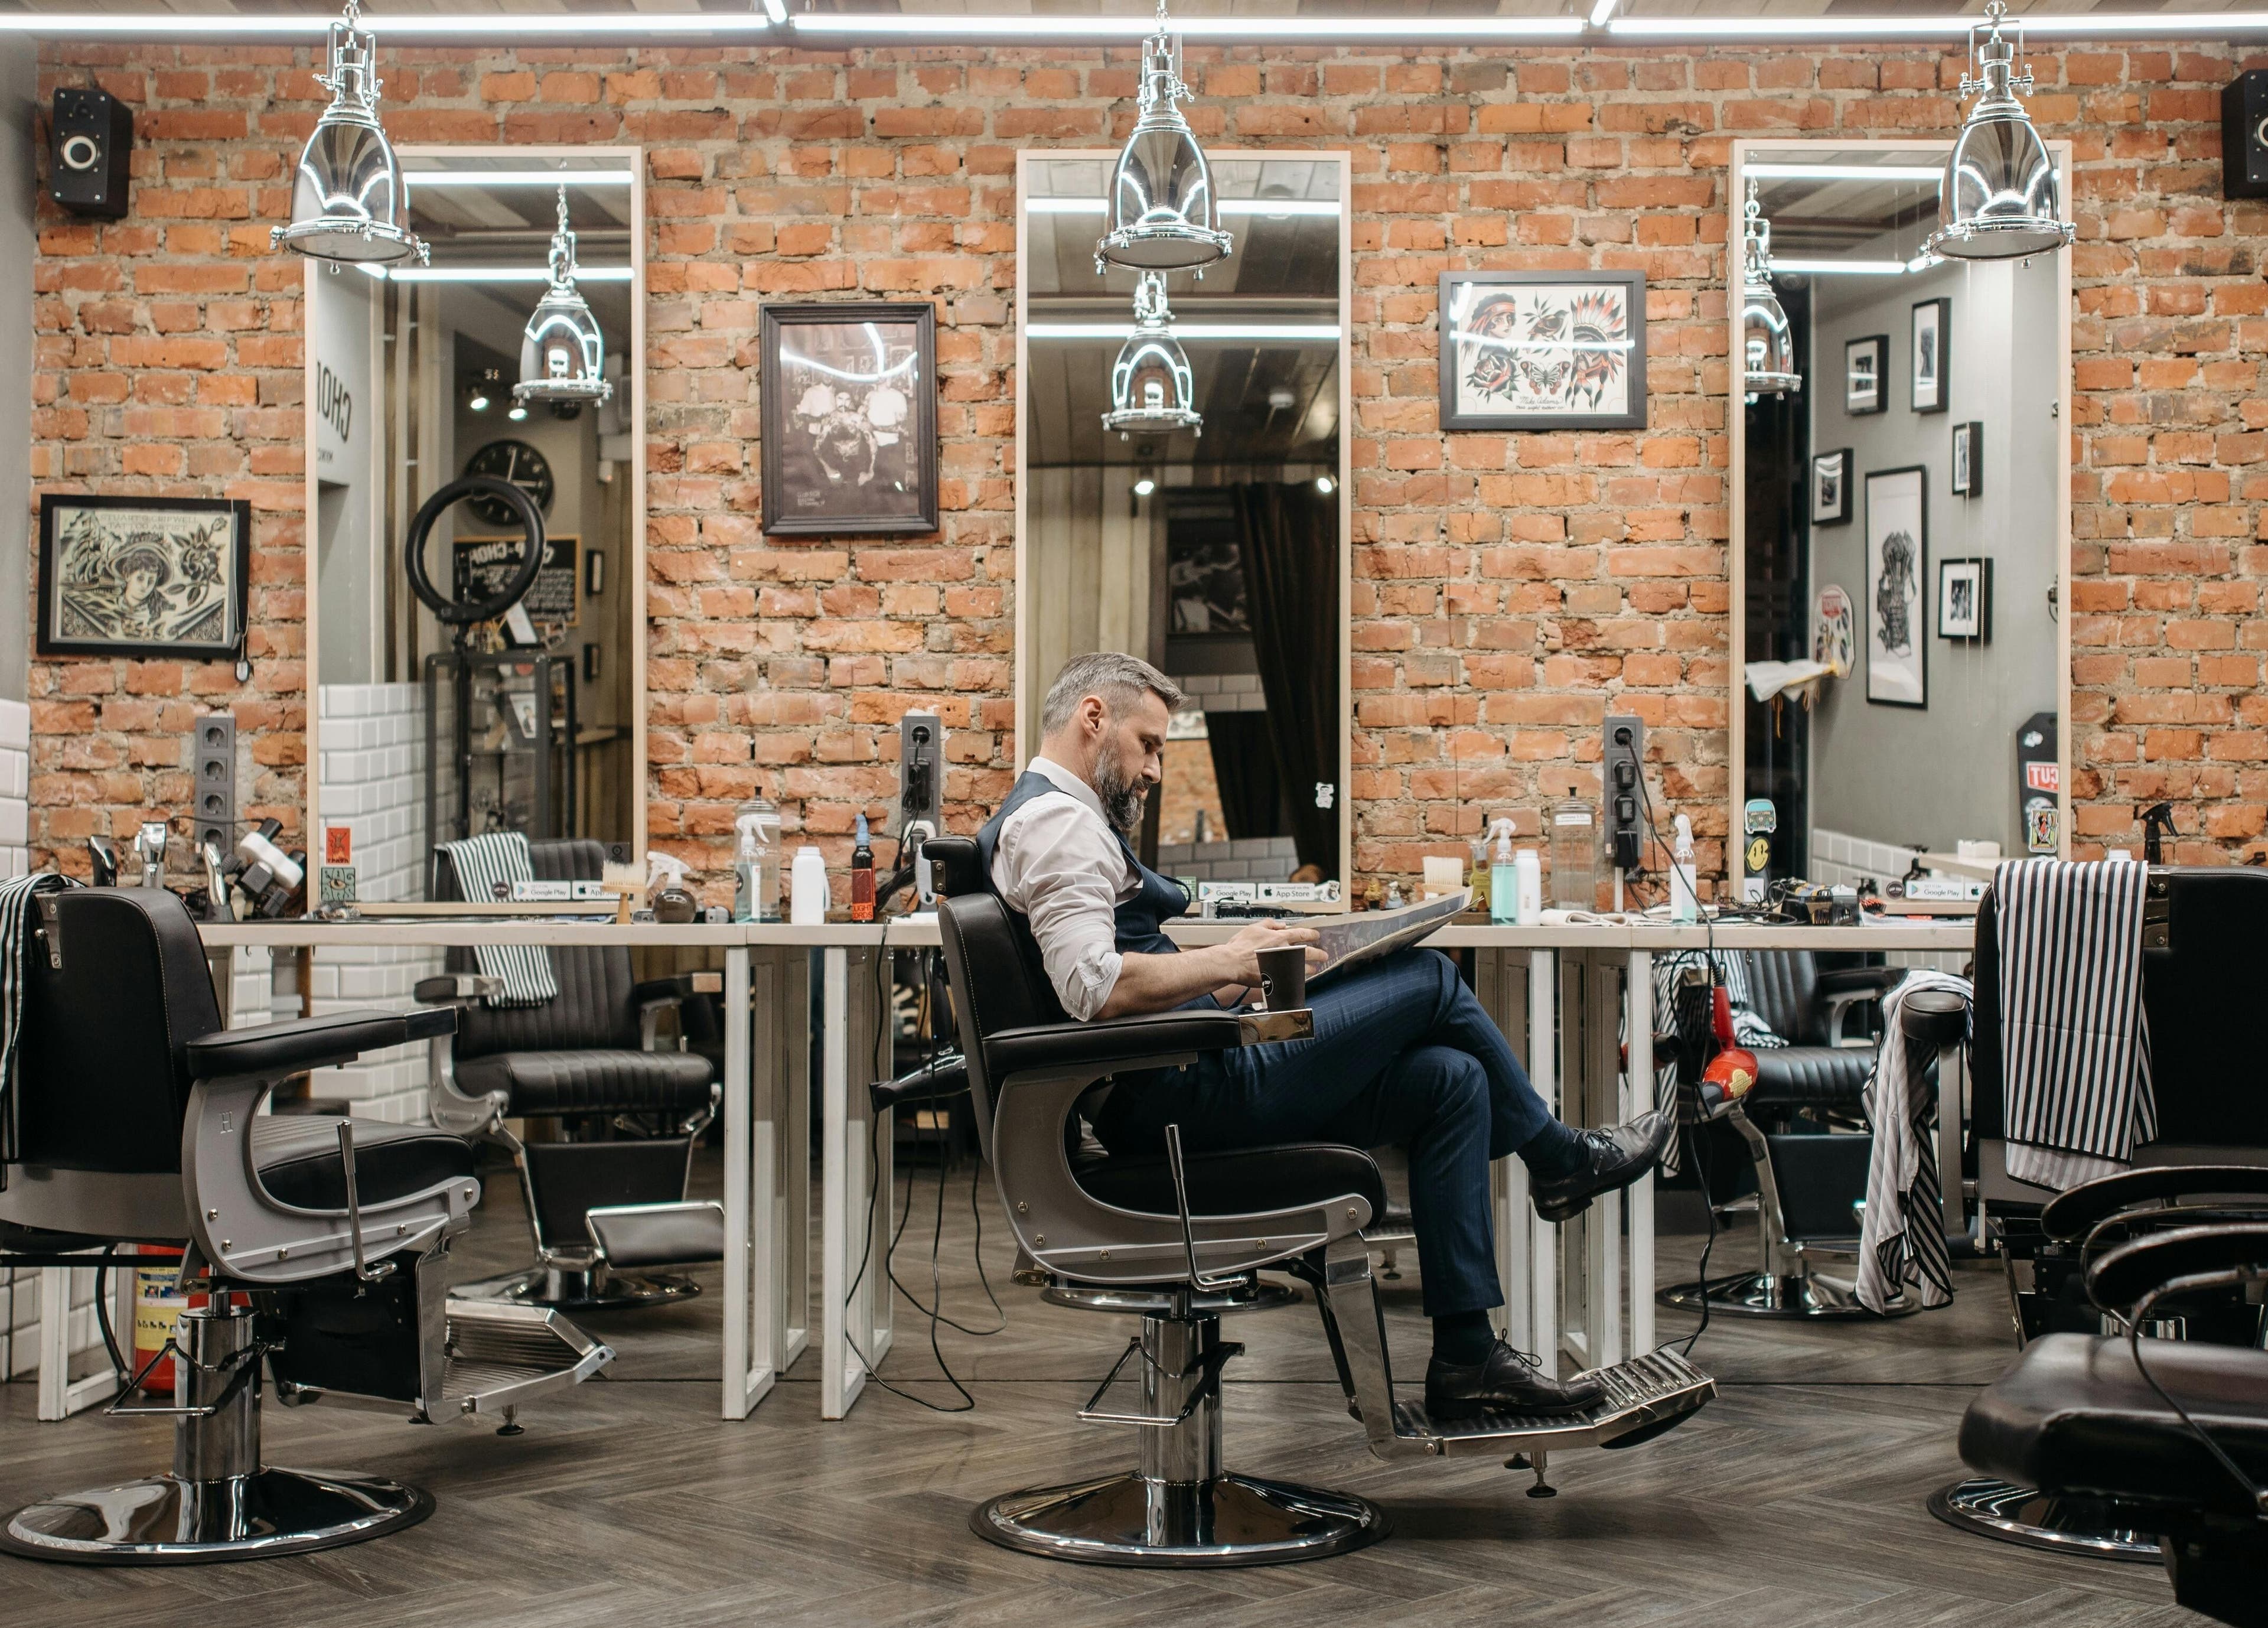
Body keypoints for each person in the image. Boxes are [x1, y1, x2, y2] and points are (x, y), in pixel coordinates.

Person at [980, 652, 1673, 1417]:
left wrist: (1239, 973)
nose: (1152, 771)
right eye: (1149, 746)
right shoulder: (1057, 823)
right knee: (1433, 980)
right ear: (1093, 719)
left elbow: (1117, 977)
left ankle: (1468, 1361)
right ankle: (1559, 1160)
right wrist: (1231, 957)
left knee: (1452, 1080)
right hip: (1183, 1101)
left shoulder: (1058, 817)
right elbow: (1094, 988)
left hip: (1185, 1077)